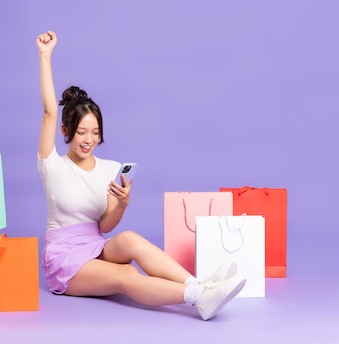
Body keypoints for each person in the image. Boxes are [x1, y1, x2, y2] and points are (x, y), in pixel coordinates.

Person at [35, 30, 246, 321]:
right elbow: (48, 111)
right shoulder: (52, 165)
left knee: (131, 238)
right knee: (126, 274)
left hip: (95, 245)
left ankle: (199, 283)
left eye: (95, 132)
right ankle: (200, 297)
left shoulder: (110, 168)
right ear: (65, 131)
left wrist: (122, 204)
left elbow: (106, 226)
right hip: (65, 258)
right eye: (81, 132)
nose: (88, 139)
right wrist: (45, 56)